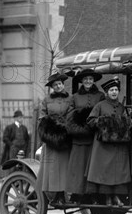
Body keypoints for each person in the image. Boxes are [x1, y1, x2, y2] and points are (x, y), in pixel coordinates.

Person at [86, 77, 131, 206]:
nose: (114, 92)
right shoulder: (100, 106)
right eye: (111, 90)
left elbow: (126, 122)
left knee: (116, 173)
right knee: (105, 173)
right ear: (106, 92)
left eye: (116, 90)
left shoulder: (122, 107)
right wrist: (104, 122)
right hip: (103, 147)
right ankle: (106, 198)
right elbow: (90, 121)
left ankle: (116, 197)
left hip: (118, 146)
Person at [65, 68, 104, 203]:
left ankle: (92, 194)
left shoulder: (100, 96)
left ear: (94, 81)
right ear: (82, 81)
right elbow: (70, 116)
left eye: (90, 79)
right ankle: (77, 194)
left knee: (93, 166)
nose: (88, 81)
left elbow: (103, 113)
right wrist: (79, 128)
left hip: (94, 137)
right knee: (78, 166)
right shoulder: (74, 97)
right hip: (79, 137)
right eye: (86, 79)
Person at [37, 72, 72, 205]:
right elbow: (42, 117)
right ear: (52, 87)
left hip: (65, 139)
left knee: (64, 168)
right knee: (52, 169)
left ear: (63, 84)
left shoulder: (70, 98)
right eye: (55, 85)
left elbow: (72, 115)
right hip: (51, 140)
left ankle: (63, 195)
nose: (58, 86)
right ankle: (53, 196)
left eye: (59, 84)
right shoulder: (47, 100)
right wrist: (50, 131)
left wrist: (65, 128)